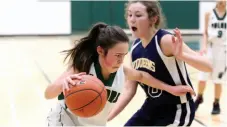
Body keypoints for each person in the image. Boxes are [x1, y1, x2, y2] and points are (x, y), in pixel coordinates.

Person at [44, 22, 195, 126]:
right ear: (101, 51)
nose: (121, 60)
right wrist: (62, 84)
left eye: (124, 55)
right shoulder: (83, 68)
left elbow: (142, 76)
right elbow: (48, 93)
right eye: (117, 56)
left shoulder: (122, 71)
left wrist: (171, 88)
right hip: (64, 120)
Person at [107, 1, 213, 126]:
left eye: (138, 15)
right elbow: (129, 88)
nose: (132, 20)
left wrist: (182, 56)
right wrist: (108, 117)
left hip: (177, 110)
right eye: (130, 15)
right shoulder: (135, 48)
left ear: (153, 19)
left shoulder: (165, 40)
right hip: (151, 108)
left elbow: (208, 66)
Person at [195, 0, 226, 115]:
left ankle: (216, 103)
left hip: (223, 51)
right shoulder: (209, 14)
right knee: (202, 77)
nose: (221, 1)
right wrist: (203, 46)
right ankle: (199, 97)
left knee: (218, 80)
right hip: (210, 49)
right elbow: (205, 32)